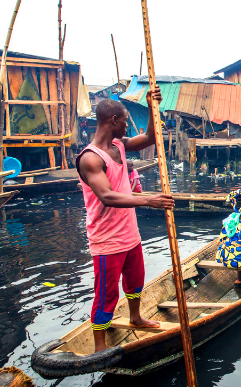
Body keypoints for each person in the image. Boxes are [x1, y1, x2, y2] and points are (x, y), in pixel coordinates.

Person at [76, 87, 175, 352]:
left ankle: (135, 317)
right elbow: (107, 196)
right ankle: (99, 347)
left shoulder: (119, 146)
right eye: (124, 120)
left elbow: (150, 138)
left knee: (135, 280)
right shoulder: (90, 158)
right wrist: (149, 200)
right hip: (107, 240)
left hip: (130, 233)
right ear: (113, 120)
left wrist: (152, 106)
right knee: (107, 294)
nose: (126, 125)